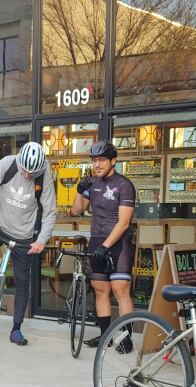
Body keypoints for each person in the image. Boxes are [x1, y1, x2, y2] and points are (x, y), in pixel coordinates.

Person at [0, 141, 56, 346]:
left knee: (22, 283)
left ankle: (16, 328)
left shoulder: (44, 175)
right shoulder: (7, 164)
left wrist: (41, 240)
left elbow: (50, 211)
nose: (26, 175)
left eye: (31, 173)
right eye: (24, 170)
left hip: (24, 236)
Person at [72, 141, 136, 351]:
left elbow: (124, 222)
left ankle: (126, 339)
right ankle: (105, 336)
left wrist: (106, 246)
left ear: (113, 161)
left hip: (119, 243)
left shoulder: (124, 185)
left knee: (120, 290)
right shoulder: (92, 183)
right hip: (97, 240)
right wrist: (79, 191)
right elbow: (76, 210)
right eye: (94, 160)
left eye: (101, 160)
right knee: (100, 290)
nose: (97, 164)